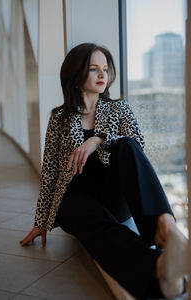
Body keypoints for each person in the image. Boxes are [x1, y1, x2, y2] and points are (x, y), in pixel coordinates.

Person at [20, 43, 188, 299]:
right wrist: (40, 222)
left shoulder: (118, 108)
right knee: (88, 218)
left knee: (126, 144)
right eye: (93, 69)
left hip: (113, 197)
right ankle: (160, 268)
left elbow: (138, 146)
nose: (102, 75)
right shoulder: (59, 118)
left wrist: (97, 139)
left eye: (105, 69)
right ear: (76, 76)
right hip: (74, 199)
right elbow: (50, 170)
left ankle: (166, 227)